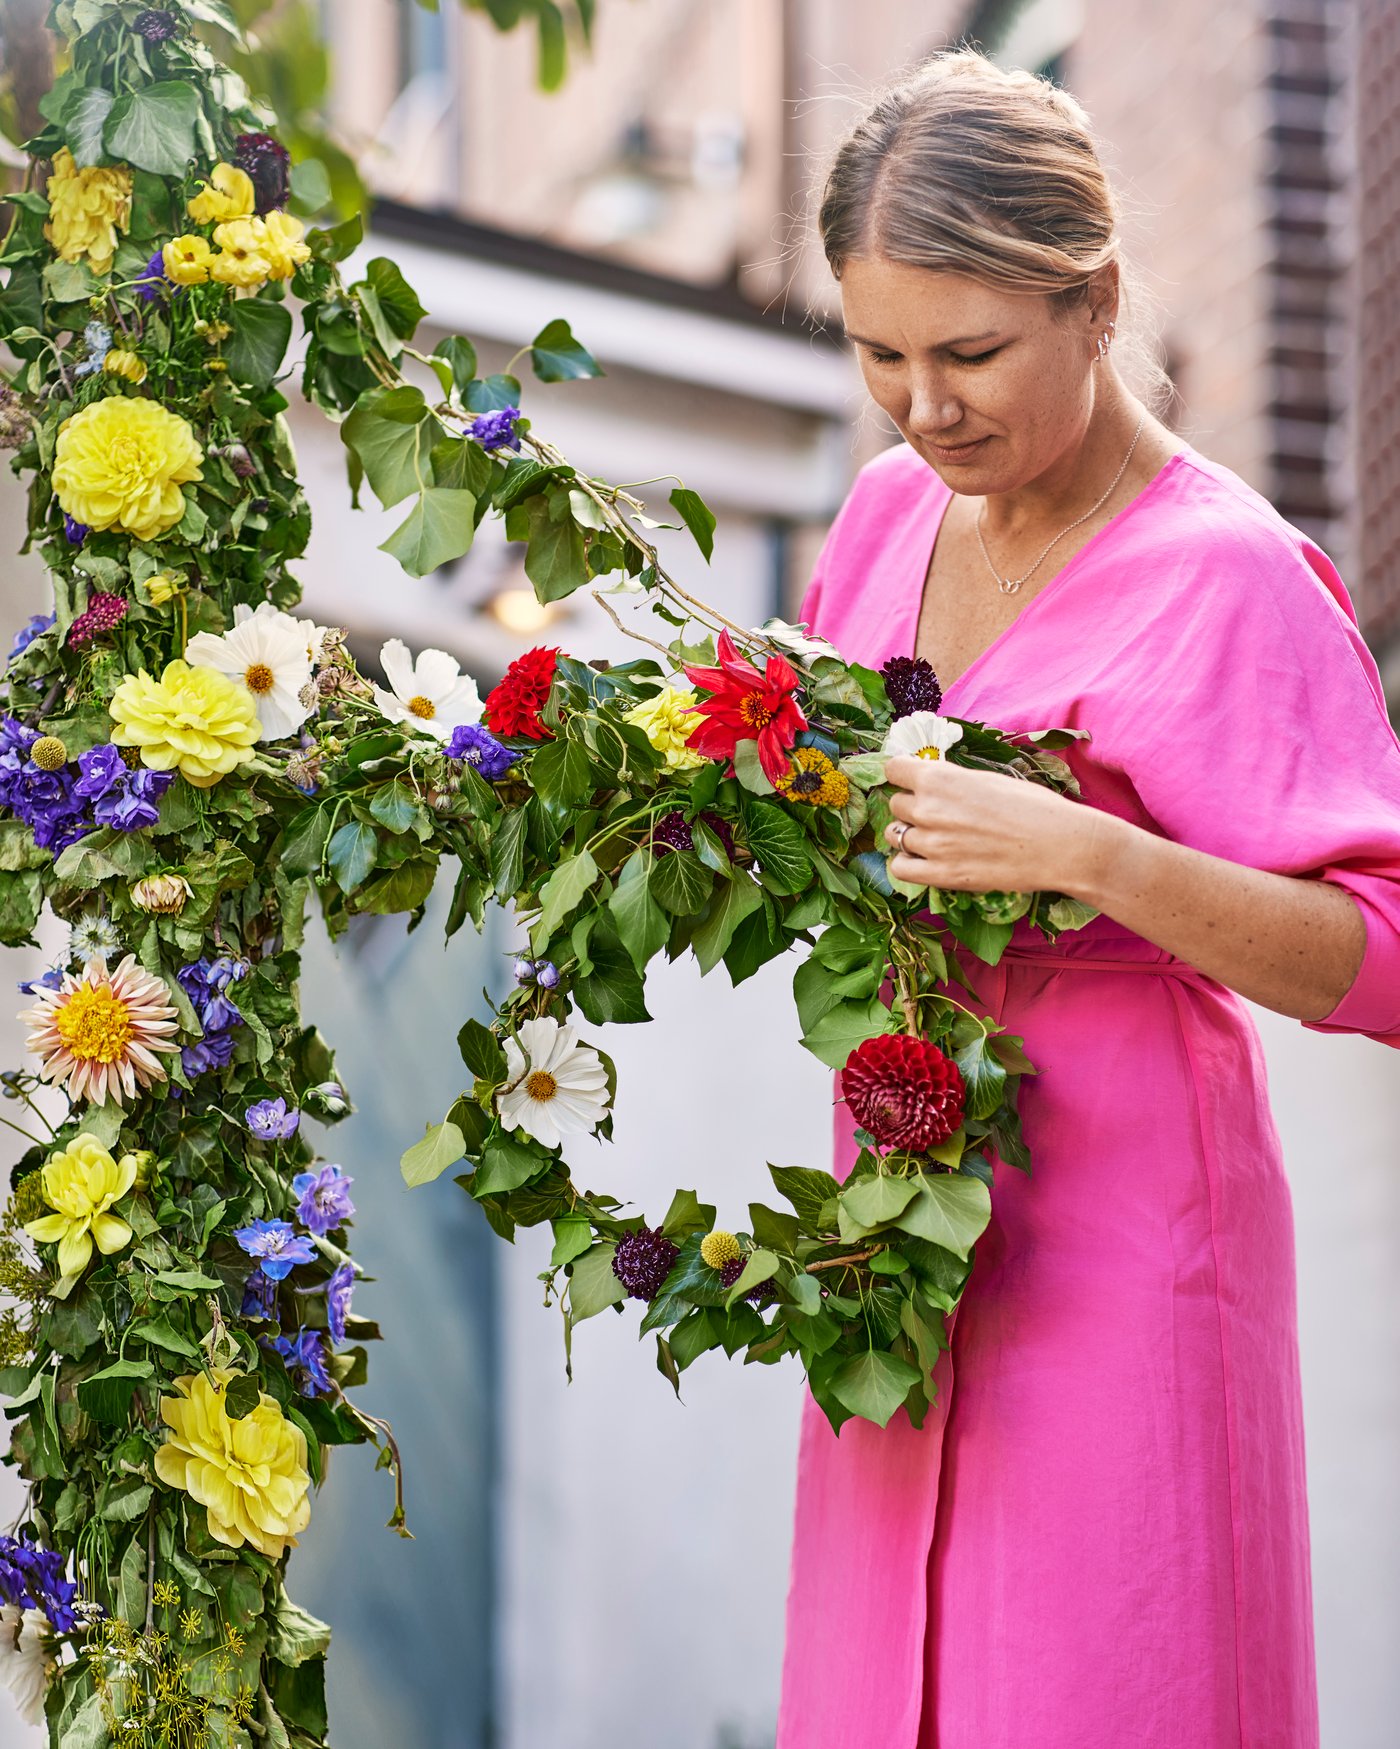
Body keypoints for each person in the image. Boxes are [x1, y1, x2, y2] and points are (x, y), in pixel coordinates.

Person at [777, 49, 1400, 1749]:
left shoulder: (1230, 573)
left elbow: (1386, 950)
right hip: (899, 1241)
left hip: (1122, 1249)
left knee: (1108, 1683)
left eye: (971, 352)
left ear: (1097, 299)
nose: (923, 406)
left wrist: (1096, 855)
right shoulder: (884, 518)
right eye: (882, 354)